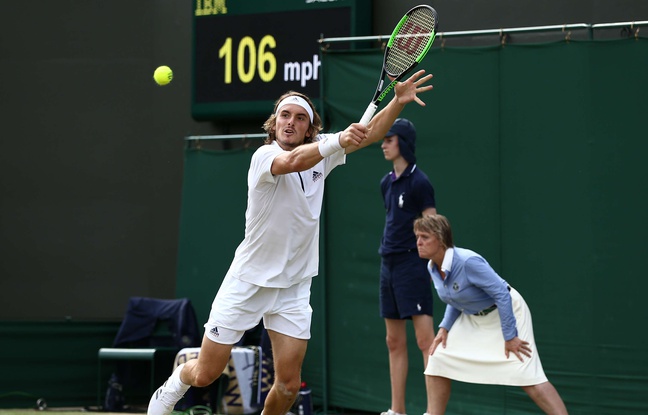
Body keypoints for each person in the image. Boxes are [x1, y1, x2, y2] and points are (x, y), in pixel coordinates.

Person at [147, 69, 434, 415]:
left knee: (287, 387)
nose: (290, 122)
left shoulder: (322, 152)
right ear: (274, 121)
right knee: (206, 373)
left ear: (309, 128)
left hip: (294, 287)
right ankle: (177, 381)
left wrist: (396, 103)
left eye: (300, 118)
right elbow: (294, 160)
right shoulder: (264, 157)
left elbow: (369, 134)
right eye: (285, 115)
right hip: (248, 281)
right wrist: (339, 140)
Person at [413, 214, 568, 415]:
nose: (418, 242)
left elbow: (501, 294)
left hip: (507, 312)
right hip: (473, 317)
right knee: (438, 358)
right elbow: (456, 298)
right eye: (417, 236)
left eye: (424, 237)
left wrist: (510, 336)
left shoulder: (468, 262)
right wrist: (444, 327)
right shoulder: (432, 267)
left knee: (527, 375)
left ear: (441, 239)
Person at [378, 118, 437, 415]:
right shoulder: (386, 183)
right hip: (387, 264)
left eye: (389, 139)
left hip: (412, 266)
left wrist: (432, 262)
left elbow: (432, 226)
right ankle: (396, 410)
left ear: (403, 142)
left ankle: (432, 411)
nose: (383, 144)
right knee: (393, 340)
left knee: (425, 340)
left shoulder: (420, 182)